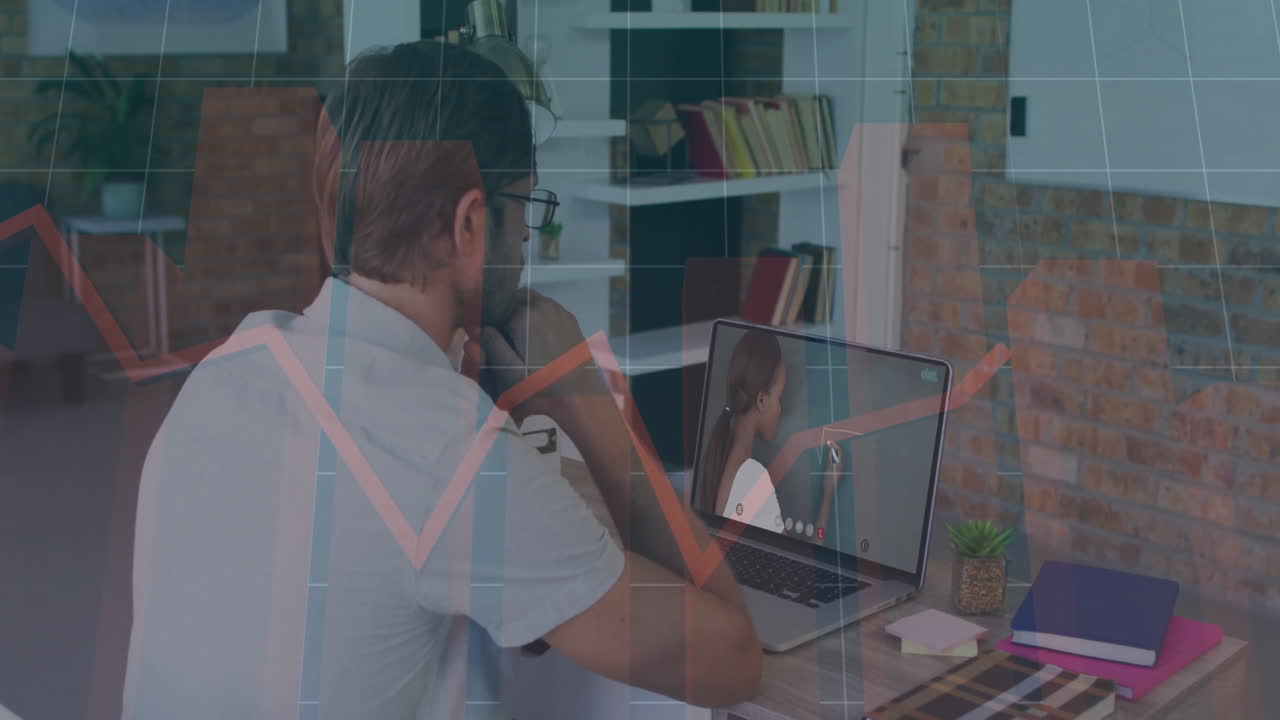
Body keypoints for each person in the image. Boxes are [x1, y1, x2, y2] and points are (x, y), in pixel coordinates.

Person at [123, 40, 760, 719]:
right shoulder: (447, 454)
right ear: (468, 223)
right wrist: (583, 396)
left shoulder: (231, 365)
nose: (524, 240)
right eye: (524, 209)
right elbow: (732, 664)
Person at [697, 330, 845, 540]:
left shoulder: (720, 461)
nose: (780, 410)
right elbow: (800, 572)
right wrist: (828, 494)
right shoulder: (751, 477)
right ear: (762, 401)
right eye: (779, 398)